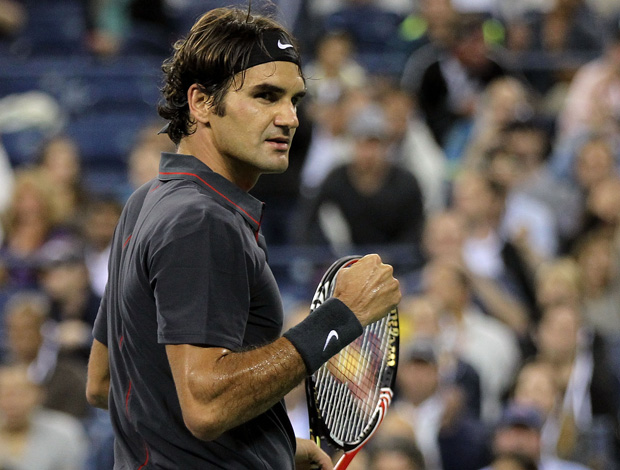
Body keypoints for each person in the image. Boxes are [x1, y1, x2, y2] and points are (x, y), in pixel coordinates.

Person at [86, 7, 401, 470]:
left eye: (294, 100)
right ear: (200, 103)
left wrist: (272, 446)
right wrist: (342, 317)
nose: (289, 118)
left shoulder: (145, 202)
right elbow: (207, 405)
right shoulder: (202, 220)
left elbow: (107, 381)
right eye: (266, 96)